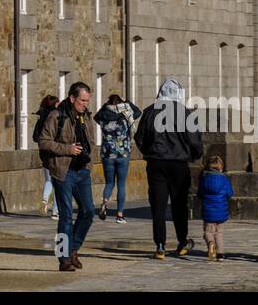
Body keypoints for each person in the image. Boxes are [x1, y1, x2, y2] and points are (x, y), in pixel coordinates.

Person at [134, 78, 203, 259]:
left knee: (158, 205)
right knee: (179, 204)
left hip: (156, 162)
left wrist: (149, 152)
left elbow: (139, 138)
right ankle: (182, 242)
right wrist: (194, 156)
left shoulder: (149, 112)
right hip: (178, 163)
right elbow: (194, 140)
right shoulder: (185, 113)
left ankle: (160, 245)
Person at [38, 82, 98, 272]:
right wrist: (67, 149)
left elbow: (91, 141)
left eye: (87, 101)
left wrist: (89, 162)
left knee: (88, 211)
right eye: (82, 100)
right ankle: (63, 258)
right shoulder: (57, 116)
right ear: (72, 98)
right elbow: (43, 142)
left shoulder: (86, 116)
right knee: (65, 216)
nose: (85, 104)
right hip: (63, 171)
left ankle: (73, 248)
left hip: (82, 171)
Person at [94, 93, 140, 223]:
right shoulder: (126, 115)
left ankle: (105, 203)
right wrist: (127, 102)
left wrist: (105, 105)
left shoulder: (103, 116)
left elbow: (96, 116)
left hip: (107, 153)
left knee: (109, 183)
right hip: (123, 153)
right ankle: (119, 215)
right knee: (121, 185)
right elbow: (138, 111)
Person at [198, 154, 235, 261]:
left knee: (208, 232)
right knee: (219, 233)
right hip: (221, 211)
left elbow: (200, 194)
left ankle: (210, 243)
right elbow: (230, 193)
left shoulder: (204, 178)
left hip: (208, 211)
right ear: (221, 167)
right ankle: (220, 254)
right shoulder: (224, 179)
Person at [34, 95, 60, 219]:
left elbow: (35, 137)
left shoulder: (41, 118)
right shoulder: (57, 117)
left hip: (43, 152)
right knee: (58, 181)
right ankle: (55, 211)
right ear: (55, 105)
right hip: (55, 151)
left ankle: (45, 200)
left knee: (49, 180)